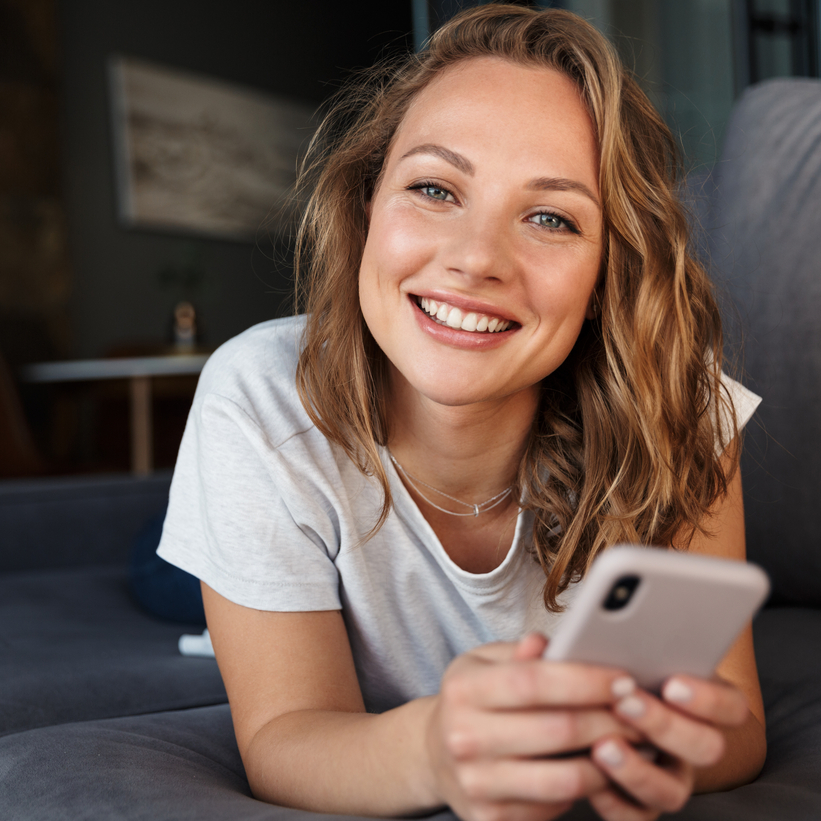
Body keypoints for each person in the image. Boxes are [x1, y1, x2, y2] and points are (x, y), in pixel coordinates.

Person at [158, 5, 766, 820]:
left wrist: (646, 744)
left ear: (605, 279)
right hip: (283, 506)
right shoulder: (256, 399)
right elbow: (285, 736)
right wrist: (429, 749)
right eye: (434, 188)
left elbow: (733, 719)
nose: (477, 259)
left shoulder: (679, 407)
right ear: (367, 205)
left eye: (550, 216)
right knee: (157, 576)